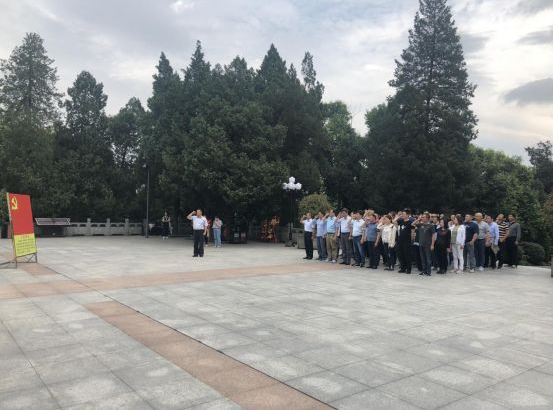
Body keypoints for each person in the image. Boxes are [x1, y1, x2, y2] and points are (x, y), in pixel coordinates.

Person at [395, 209, 414, 274]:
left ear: (407, 215)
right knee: (401, 254)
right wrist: (397, 217)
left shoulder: (411, 221)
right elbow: (394, 223)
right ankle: (403, 268)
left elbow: (413, 231)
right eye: (402, 214)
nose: (402, 215)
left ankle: (408, 269)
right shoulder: (401, 220)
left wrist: (412, 239)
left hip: (407, 241)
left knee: (407, 255)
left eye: (403, 214)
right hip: (400, 240)